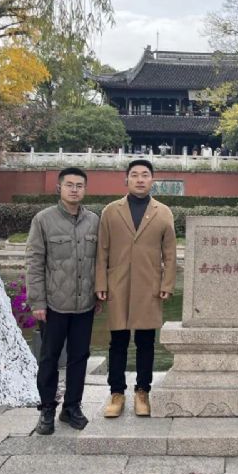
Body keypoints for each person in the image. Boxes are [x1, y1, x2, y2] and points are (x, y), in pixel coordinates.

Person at [96, 159, 176, 417]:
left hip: (149, 284)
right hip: (117, 284)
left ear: (152, 180)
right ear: (126, 179)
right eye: (134, 175)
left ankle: (143, 391)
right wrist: (101, 283)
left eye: (145, 175)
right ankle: (116, 393)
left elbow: (170, 253)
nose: (140, 179)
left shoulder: (163, 212)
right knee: (117, 341)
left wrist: (167, 283)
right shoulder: (111, 211)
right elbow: (102, 250)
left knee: (145, 342)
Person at [26, 167, 100, 435]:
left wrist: (99, 292)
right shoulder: (43, 220)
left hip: (85, 304)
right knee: (49, 358)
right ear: (60, 188)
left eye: (79, 185)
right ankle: (47, 408)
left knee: (79, 357)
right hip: (54, 304)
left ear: (85, 189)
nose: (74, 189)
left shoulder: (94, 221)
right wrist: (37, 301)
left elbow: (100, 261)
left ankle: (72, 407)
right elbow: (34, 262)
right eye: (69, 185)